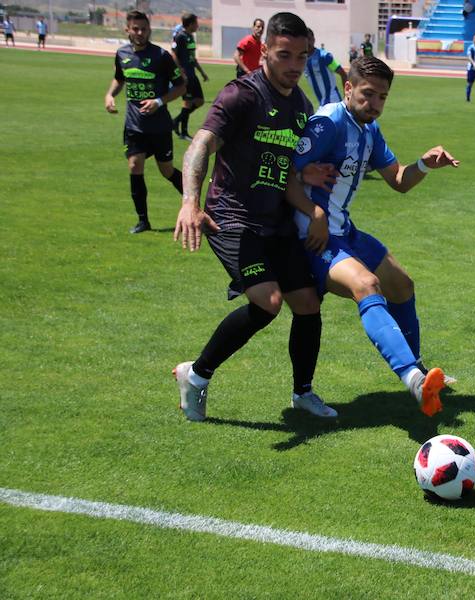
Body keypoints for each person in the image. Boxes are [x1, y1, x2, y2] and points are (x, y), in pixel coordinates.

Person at [172, 12, 340, 422]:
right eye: (285, 55)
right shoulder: (241, 95)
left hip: (275, 220)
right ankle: (195, 375)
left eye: (302, 57)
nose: (294, 66)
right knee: (269, 303)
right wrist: (190, 201)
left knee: (308, 303)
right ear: (264, 50)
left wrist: (312, 202)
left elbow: (284, 172)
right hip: (232, 218)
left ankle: (303, 393)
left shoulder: (301, 106)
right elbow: (200, 146)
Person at [289, 56, 460, 417]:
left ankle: (418, 370)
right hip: (314, 235)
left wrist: (426, 164)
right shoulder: (329, 122)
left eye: (382, 97)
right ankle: (414, 380)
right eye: (368, 94)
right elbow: (286, 173)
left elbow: (398, 181)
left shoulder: (369, 130)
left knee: (402, 285)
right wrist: (313, 213)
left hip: (343, 230)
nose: (375, 104)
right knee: (367, 285)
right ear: (348, 88)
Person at [104, 10, 186, 234]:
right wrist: (110, 94)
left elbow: (181, 86)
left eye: (144, 29)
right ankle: (143, 221)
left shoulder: (161, 56)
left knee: (167, 171)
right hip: (134, 125)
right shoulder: (121, 54)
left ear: (149, 29)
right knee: (134, 165)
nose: (140, 33)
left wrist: (159, 101)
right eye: (135, 29)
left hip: (159, 126)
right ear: (127, 30)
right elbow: (120, 78)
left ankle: (197, 205)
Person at [170, 13, 209, 140]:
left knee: (199, 101)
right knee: (187, 102)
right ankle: (184, 133)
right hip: (185, 74)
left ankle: (175, 122)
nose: (198, 25)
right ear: (191, 23)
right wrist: (181, 72)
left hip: (192, 73)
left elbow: (192, 57)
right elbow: (174, 55)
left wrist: (202, 72)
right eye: (196, 23)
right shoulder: (180, 36)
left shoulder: (190, 37)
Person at [304, 28, 348, 107]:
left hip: (333, 101)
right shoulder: (302, 59)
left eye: (309, 39)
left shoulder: (325, 56)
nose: (308, 42)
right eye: (305, 40)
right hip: (322, 103)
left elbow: (343, 73)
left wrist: (347, 97)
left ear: (314, 39)